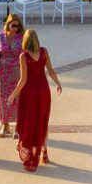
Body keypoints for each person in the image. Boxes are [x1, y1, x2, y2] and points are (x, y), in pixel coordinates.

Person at [14, 27, 63, 172]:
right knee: (43, 121)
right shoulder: (44, 52)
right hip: (43, 91)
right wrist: (58, 83)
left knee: (30, 122)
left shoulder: (23, 57)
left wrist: (13, 94)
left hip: (29, 93)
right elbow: (51, 70)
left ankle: (30, 154)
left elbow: (23, 80)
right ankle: (44, 152)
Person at [0, 11, 26, 139]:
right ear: (8, 25)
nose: (16, 28)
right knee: (3, 98)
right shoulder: (0, 37)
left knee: (18, 98)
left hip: (17, 71)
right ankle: (5, 125)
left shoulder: (21, 37)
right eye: (13, 26)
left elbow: (26, 55)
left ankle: (18, 126)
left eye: (18, 26)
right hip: (3, 72)